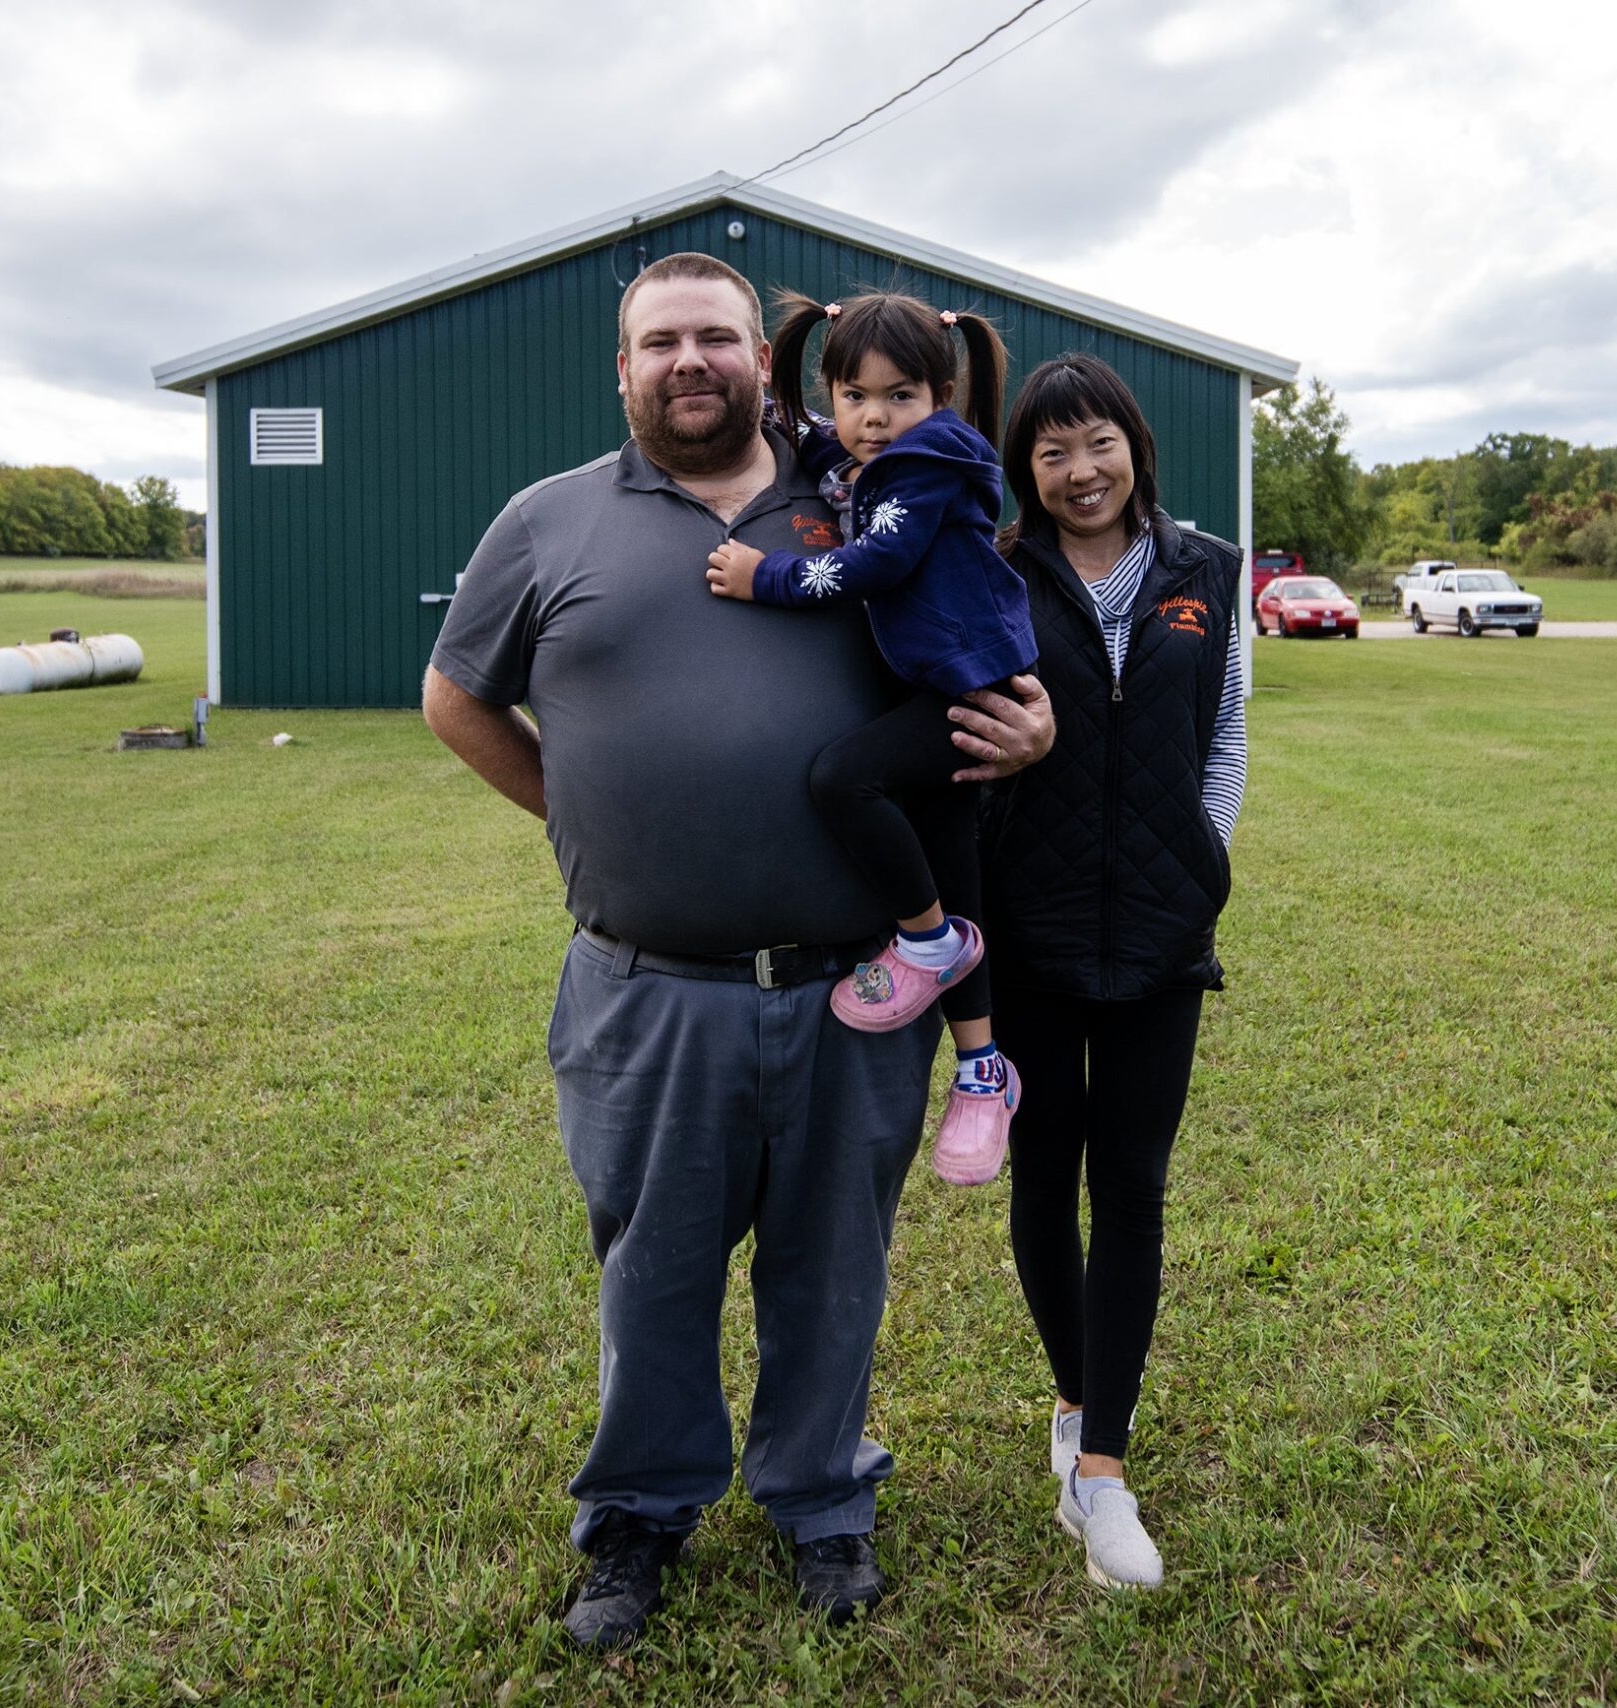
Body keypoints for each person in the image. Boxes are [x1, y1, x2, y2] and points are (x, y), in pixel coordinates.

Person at [421, 252, 1054, 1649]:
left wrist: (1036, 727)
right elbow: (455, 699)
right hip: (645, 990)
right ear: (624, 366)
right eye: (662, 342)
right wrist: (573, 815)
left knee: (832, 1266)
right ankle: (639, 1517)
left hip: (852, 988)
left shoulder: (864, 488)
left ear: (764, 360)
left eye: (718, 336)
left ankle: (823, 1502)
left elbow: (987, 650)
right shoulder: (549, 521)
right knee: (651, 1268)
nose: (691, 361)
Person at [979, 353, 1247, 1591]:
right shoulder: (990, 572)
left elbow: (1225, 734)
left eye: (1098, 444)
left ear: (1133, 446)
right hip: (1028, 933)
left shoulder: (1206, 573)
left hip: (1158, 937)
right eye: (1051, 451)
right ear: (1025, 468)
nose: (1079, 471)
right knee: (1046, 1181)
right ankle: (1076, 1404)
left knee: (1131, 1189)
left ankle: (1103, 1470)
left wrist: (1202, 862)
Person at [704, 289, 1036, 1186]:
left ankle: (923, 944)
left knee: (843, 780)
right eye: (855, 396)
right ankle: (982, 1073)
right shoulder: (866, 454)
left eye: (899, 396)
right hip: (930, 684)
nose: (874, 418)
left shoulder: (930, 463)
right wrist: (795, 406)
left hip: (970, 683)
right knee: (951, 868)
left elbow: (878, 563)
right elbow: (811, 436)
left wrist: (762, 575)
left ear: (941, 396)